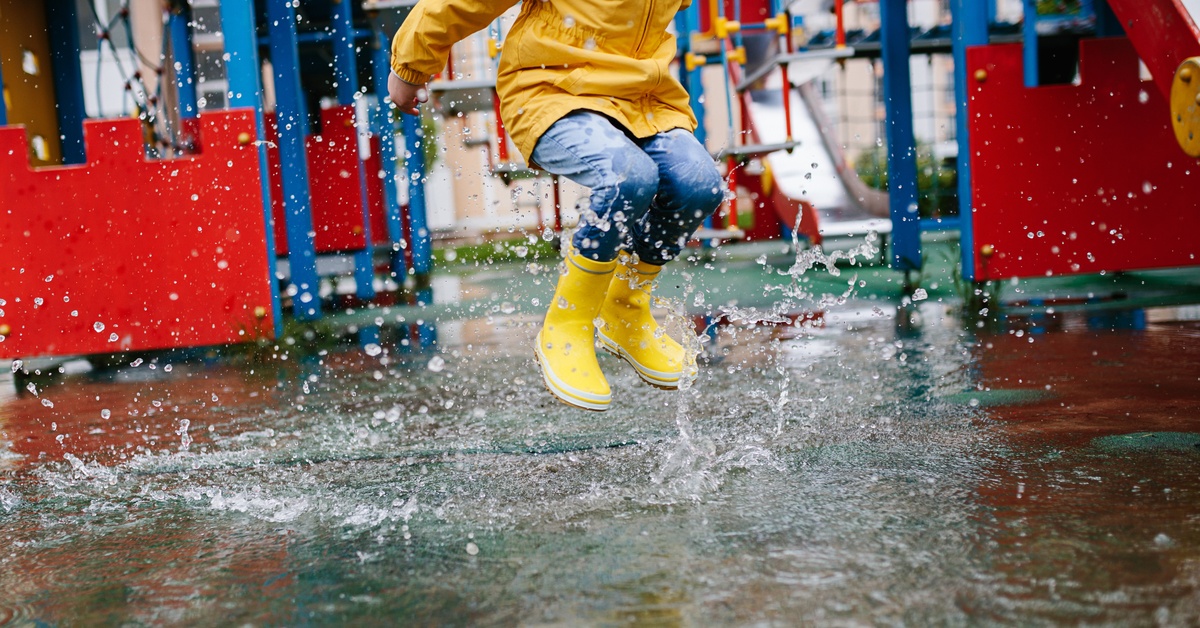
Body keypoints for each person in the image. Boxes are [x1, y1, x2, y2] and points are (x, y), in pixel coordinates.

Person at [389, 0, 725, 411]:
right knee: (628, 175)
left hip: (643, 99)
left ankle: (625, 307)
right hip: (553, 93)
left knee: (699, 185)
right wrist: (411, 64)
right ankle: (567, 322)